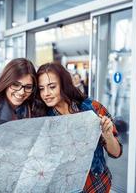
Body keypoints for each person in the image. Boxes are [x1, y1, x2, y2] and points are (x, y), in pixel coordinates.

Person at [37, 62, 122, 193]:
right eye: (41, 88)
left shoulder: (93, 108)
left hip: (97, 185)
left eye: (52, 86)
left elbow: (116, 153)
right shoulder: (42, 119)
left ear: (64, 85)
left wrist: (108, 136)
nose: (46, 93)